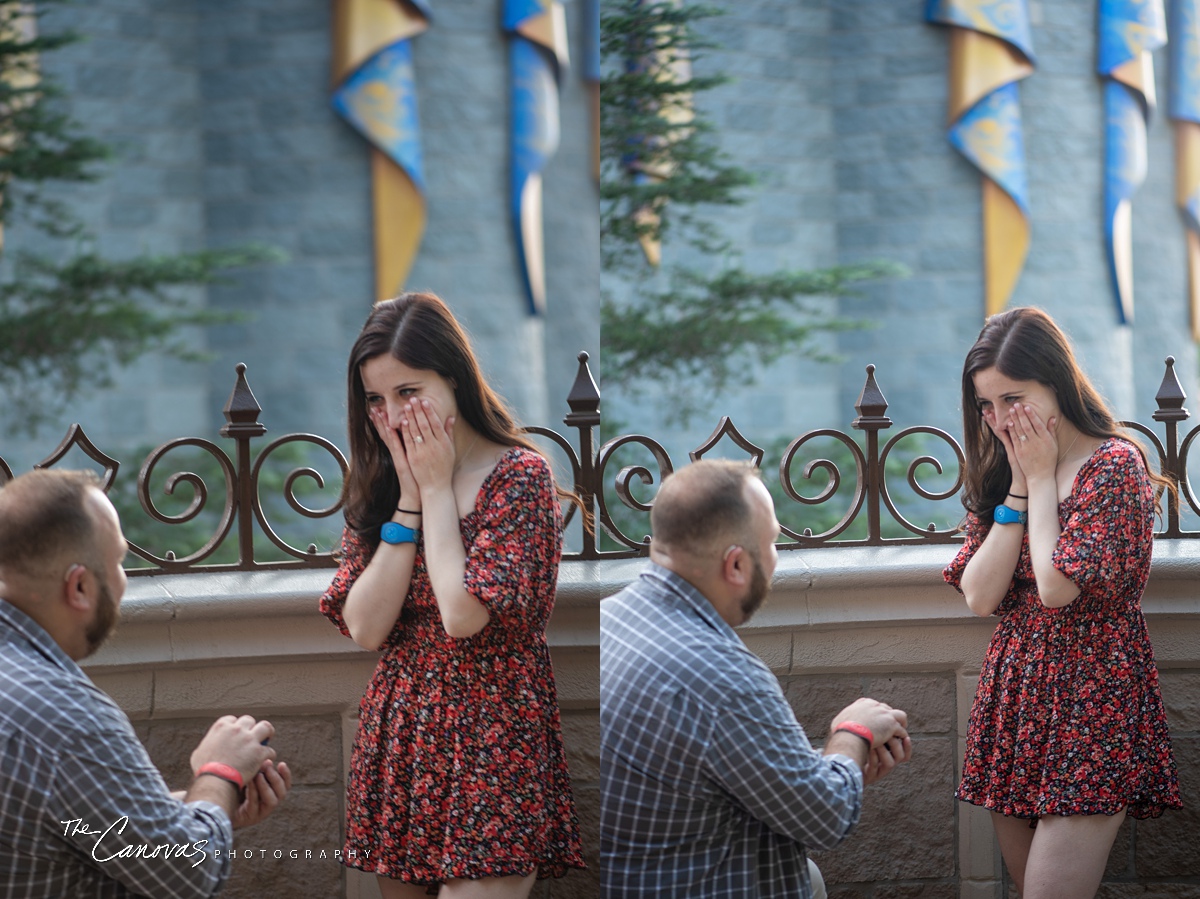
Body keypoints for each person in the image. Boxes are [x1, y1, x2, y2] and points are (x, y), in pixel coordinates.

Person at [319, 293, 585, 898]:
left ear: (455, 379)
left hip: (494, 737)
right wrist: (411, 499)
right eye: (376, 400)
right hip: (406, 734)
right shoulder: (387, 483)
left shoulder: (518, 476)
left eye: (409, 392)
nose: (391, 415)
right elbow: (365, 627)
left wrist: (438, 490)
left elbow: (463, 613)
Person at [945, 306, 1182, 898]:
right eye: (986, 404)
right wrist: (1024, 485)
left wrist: (1044, 477)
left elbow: (1055, 588)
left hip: (1092, 700)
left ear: (1057, 382)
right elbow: (979, 594)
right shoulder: (1009, 468)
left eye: (1013, 398)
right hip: (1017, 698)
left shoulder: (1114, 467)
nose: (1000, 419)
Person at [601, 459, 912, 899]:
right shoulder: (721, 673)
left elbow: (715, 764)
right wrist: (853, 734)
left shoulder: (614, 619)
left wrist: (833, 767)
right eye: (772, 543)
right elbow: (823, 817)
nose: (776, 556)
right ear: (736, 565)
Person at [0, 468, 292, 899]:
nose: (123, 579)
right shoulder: (67, 718)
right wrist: (221, 772)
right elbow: (187, 876)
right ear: (79, 586)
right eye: (118, 561)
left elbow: (61, 816)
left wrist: (205, 807)